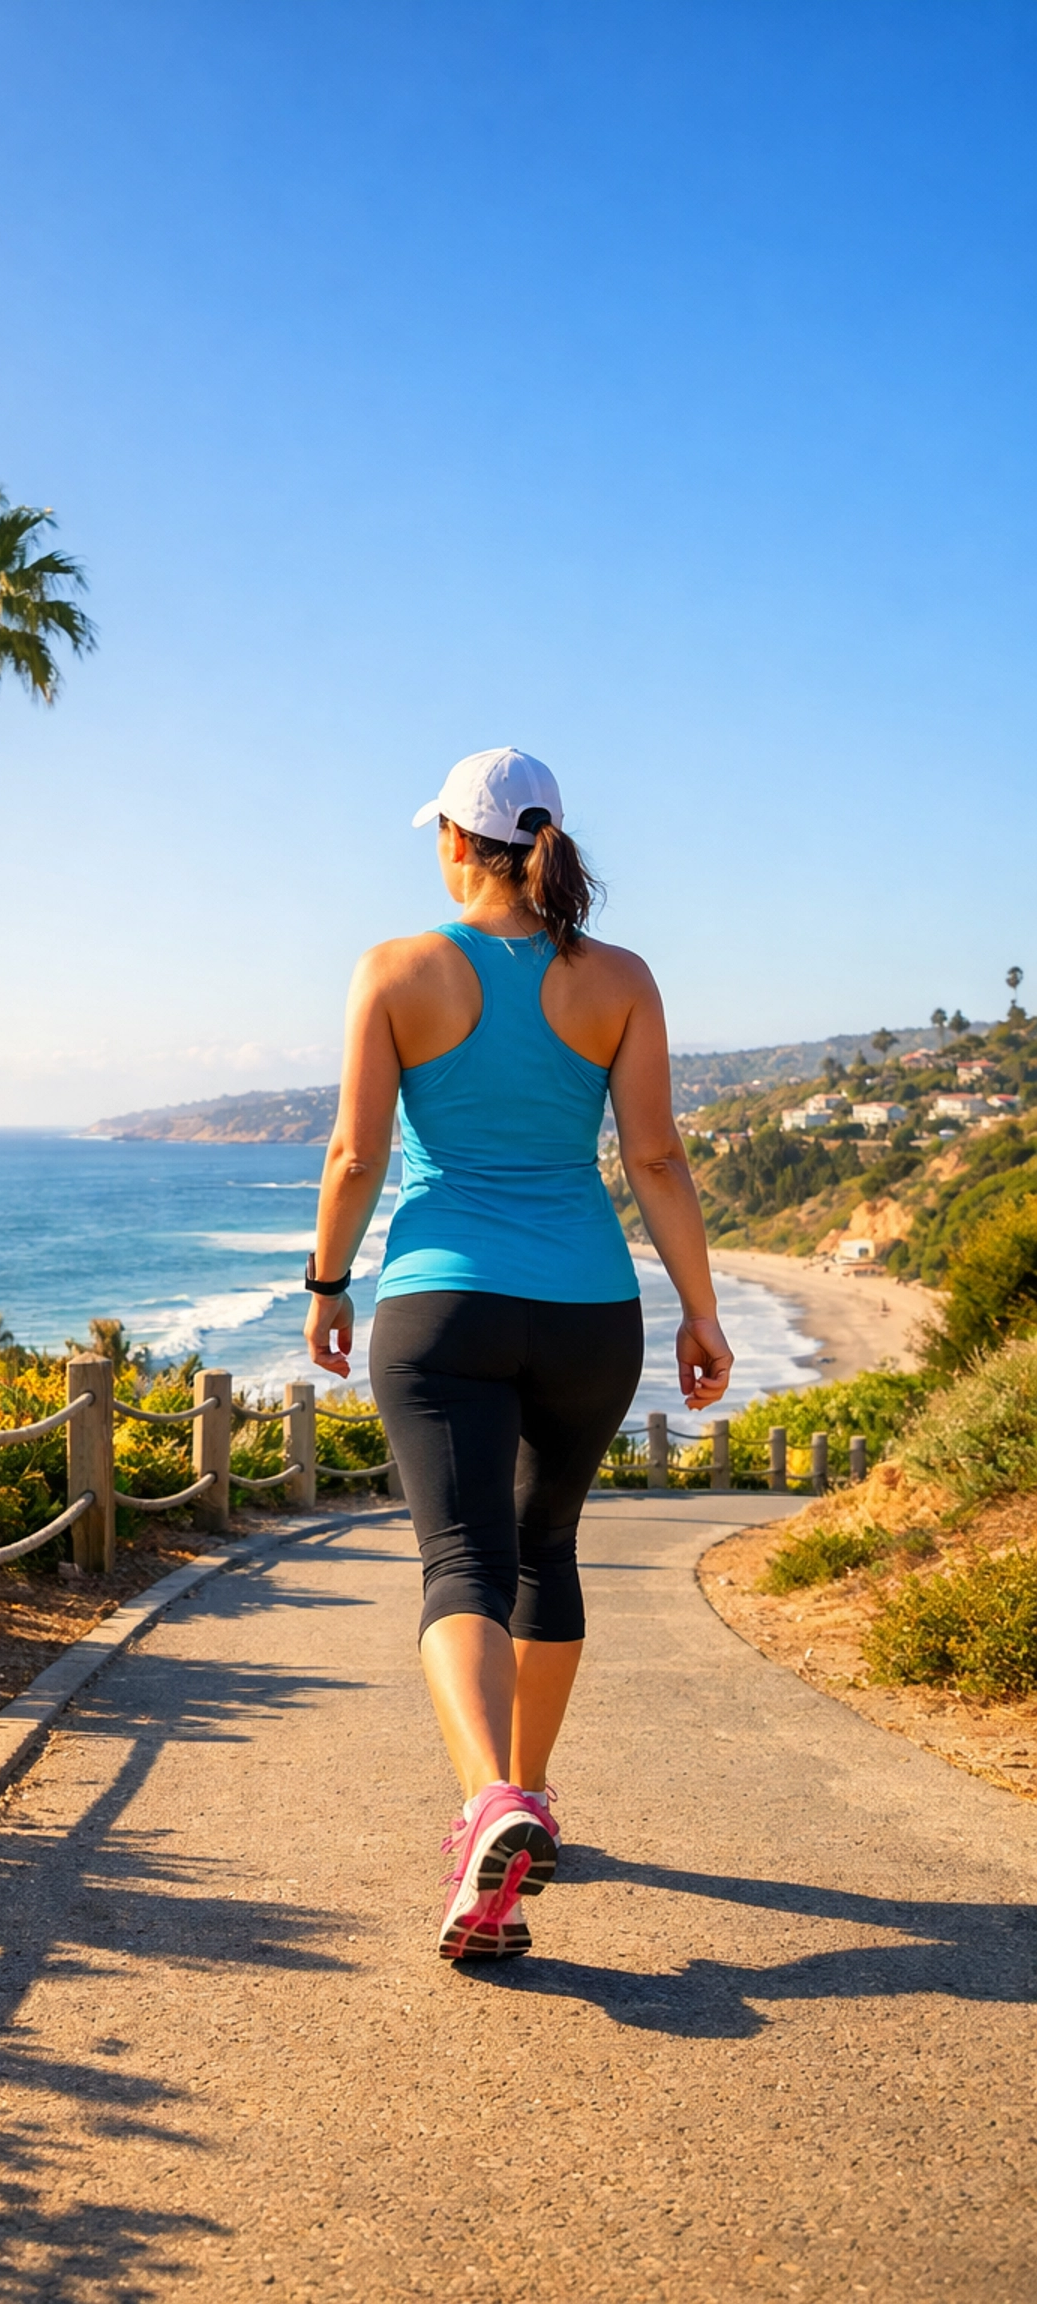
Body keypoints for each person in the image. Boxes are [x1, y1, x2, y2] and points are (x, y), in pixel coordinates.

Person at [303, 747, 733, 1959]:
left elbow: (354, 1154)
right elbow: (657, 1161)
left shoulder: (396, 970)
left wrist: (329, 1283)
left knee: (460, 1558)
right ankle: (524, 1814)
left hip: (446, 1307)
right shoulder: (622, 978)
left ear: (455, 842)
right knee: (546, 1548)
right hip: (593, 1310)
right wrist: (702, 1311)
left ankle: (491, 1800)